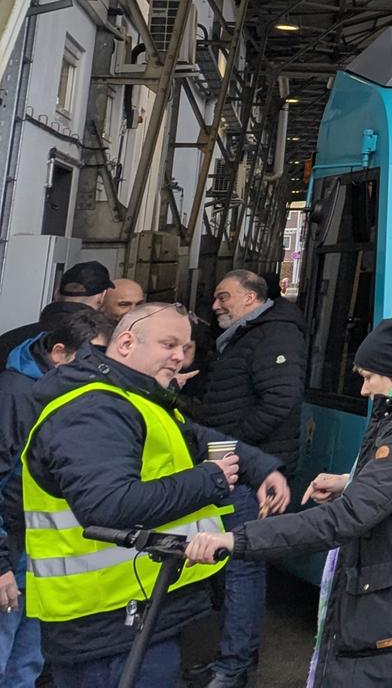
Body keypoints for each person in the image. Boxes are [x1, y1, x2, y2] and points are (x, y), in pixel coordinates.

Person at [184, 315, 392, 686]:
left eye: (368, 376)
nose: (362, 389)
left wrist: (237, 539)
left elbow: (344, 520)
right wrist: (351, 481)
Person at [18, 303, 288, 688]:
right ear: (126, 343)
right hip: (105, 626)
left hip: (131, 613)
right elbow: (108, 507)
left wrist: (259, 466)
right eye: (169, 344)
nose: (180, 357)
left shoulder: (134, 397)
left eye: (185, 347)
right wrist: (210, 480)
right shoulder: (94, 410)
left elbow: (195, 436)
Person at [187, 270, 307, 687]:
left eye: (224, 297)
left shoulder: (274, 336)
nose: (215, 305)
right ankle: (231, 661)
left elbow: (280, 400)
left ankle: (233, 667)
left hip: (250, 473)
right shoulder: (242, 336)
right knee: (234, 565)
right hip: (239, 467)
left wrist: (231, 449)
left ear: (252, 299)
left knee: (242, 566)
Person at [0, 304, 114, 688]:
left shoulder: (65, 390)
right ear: (58, 352)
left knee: (27, 657)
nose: (96, 369)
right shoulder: (15, 394)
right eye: (88, 359)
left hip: (39, 548)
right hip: (12, 544)